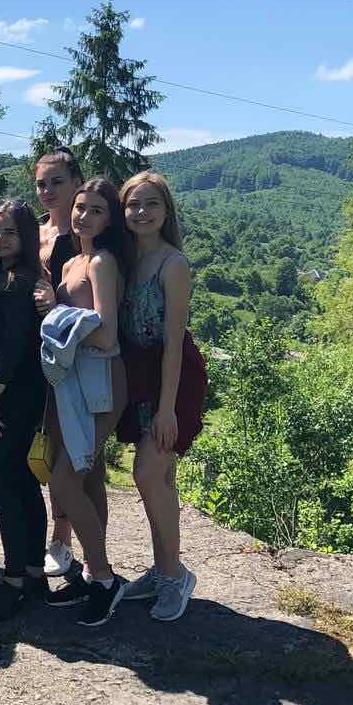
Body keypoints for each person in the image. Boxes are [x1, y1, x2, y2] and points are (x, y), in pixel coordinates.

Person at [118, 171, 208, 621]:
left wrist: (168, 409)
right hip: (138, 375)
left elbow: (174, 341)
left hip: (172, 378)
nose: (142, 212)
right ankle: (162, 569)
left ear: (166, 210)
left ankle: (174, 576)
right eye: (134, 204)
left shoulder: (173, 264)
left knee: (148, 471)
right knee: (159, 478)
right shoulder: (125, 258)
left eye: (152, 203)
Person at [43, 178, 131, 628]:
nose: (84, 216)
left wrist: (56, 314)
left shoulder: (101, 262)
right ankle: (93, 574)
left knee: (65, 479)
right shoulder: (72, 261)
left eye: (96, 210)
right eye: (80, 207)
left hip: (101, 382)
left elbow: (107, 333)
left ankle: (105, 579)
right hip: (74, 381)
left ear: (109, 219)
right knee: (90, 478)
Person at [0, 201, 49, 622]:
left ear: (26, 237)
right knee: (22, 482)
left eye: (10, 232)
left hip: (17, 388)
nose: (0, 239)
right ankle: (34, 574)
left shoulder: (20, 280)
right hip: (16, 385)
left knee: (1, 484)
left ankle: (14, 580)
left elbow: (17, 339)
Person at [32, 146, 85, 580]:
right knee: (44, 440)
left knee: (67, 442)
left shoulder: (87, 234)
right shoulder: (33, 230)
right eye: (41, 184)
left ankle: (62, 536)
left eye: (56, 182)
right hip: (33, 346)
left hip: (73, 350)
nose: (47, 190)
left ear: (76, 183)